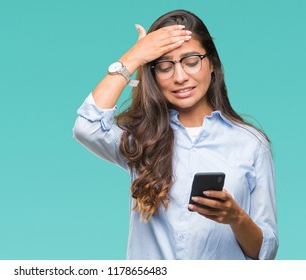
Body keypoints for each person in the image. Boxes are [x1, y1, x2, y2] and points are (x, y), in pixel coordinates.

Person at [72, 9, 278, 260]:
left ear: (211, 63)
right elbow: (87, 126)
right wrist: (133, 58)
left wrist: (235, 217)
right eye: (165, 67)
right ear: (153, 75)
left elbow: (265, 251)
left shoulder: (251, 144)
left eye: (191, 61)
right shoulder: (142, 139)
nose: (180, 77)